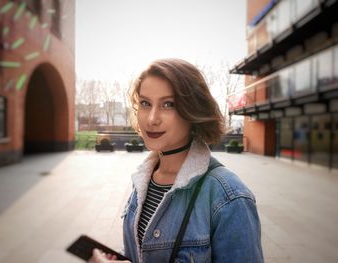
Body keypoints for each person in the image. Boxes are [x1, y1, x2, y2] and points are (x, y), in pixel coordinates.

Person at [89, 58, 264, 263]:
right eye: (145, 103)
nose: (152, 118)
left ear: (193, 111)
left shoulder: (229, 196)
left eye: (168, 104)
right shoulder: (144, 180)